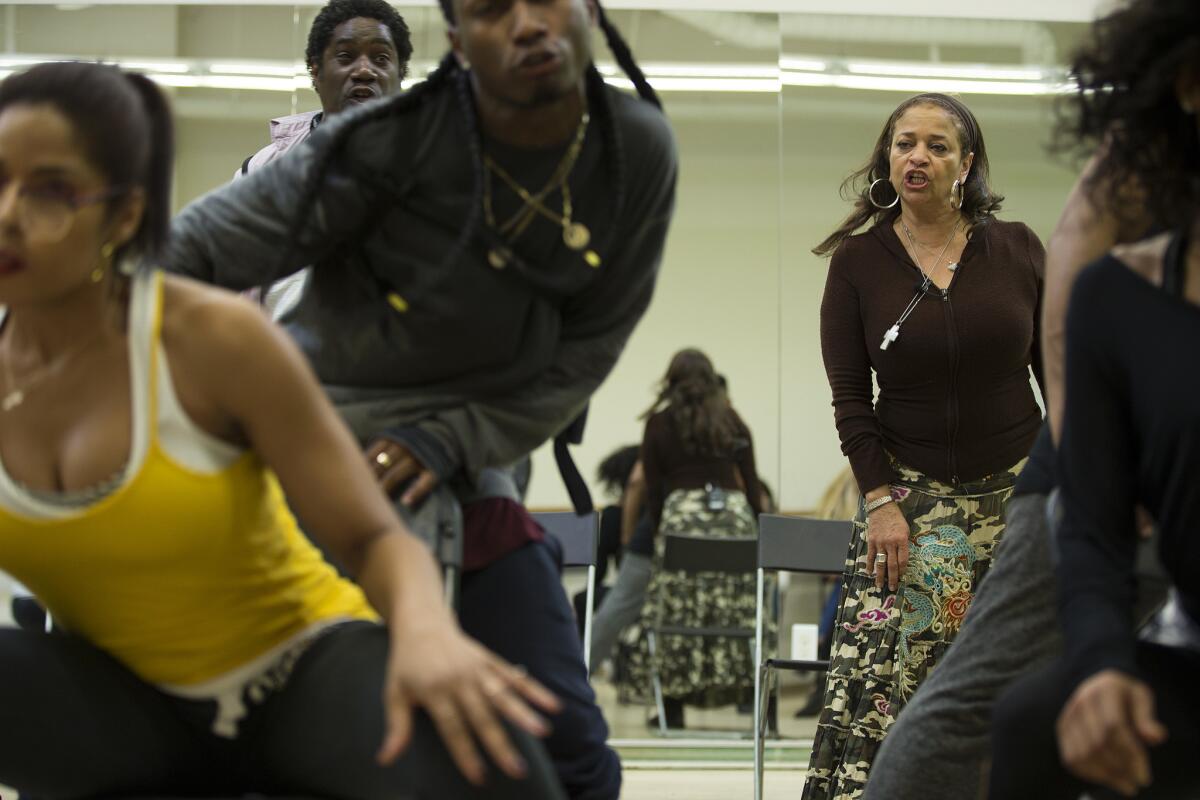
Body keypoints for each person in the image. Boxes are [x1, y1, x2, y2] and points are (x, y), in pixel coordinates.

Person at [0, 60, 564, 799]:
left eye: (50, 190)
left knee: (500, 768)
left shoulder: (211, 338)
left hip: (292, 674)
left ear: (125, 215)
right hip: (125, 707)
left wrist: (428, 634)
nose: (9, 213)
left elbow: (374, 539)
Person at [165, 1, 678, 796]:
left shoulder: (632, 152)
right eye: (491, 9)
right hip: (311, 457)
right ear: (461, 39)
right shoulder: (376, 144)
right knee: (294, 739)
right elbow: (197, 248)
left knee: (568, 750)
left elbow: (583, 355)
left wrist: (446, 439)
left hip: (468, 469)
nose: (526, 24)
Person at [803, 92, 1045, 799]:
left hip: (1019, 487)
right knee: (889, 679)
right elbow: (852, 400)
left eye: (938, 146)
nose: (918, 156)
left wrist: (1069, 488)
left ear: (965, 165)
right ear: (887, 158)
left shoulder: (1020, 248)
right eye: (905, 143)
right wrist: (880, 501)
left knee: (1022, 675)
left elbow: (1059, 379)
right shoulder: (857, 263)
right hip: (907, 501)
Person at [989, 1, 1200, 797]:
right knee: (1028, 720)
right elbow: (1097, 535)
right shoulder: (1119, 298)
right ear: (1188, 84)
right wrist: (1103, 666)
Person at [615, 348, 768, 730]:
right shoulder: (731, 420)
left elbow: (652, 486)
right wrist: (755, 526)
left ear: (671, 381)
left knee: (676, 612)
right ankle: (749, 696)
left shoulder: (659, 423)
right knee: (737, 611)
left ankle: (672, 705)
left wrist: (660, 524)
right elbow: (751, 483)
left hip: (681, 522)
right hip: (734, 522)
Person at [240, 0, 414, 318]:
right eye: (346, 56)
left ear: (400, 73)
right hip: (285, 359)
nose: (364, 71)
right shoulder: (261, 172)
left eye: (381, 58)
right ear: (316, 71)